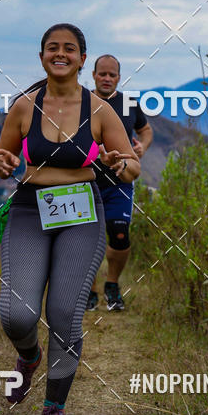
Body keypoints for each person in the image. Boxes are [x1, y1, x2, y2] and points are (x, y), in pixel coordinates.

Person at [0, 24, 141, 415]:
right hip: (28, 210)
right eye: (52, 48)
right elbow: (3, 153)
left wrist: (117, 163)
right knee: (17, 315)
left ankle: (54, 405)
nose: (61, 54)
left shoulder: (100, 110)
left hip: (80, 214)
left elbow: (132, 165)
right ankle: (29, 356)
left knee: (63, 312)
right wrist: (1, 162)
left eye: (69, 49)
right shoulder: (24, 106)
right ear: (42, 57)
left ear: (82, 59)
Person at [87, 54, 153, 311]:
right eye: (102, 74)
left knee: (120, 235)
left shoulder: (128, 104)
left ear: (118, 77)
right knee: (88, 238)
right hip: (86, 180)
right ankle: (89, 290)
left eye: (111, 75)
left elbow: (145, 130)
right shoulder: (83, 102)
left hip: (119, 180)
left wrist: (142, 147)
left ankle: (112, 286)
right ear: (93, 75)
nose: (106, 78)